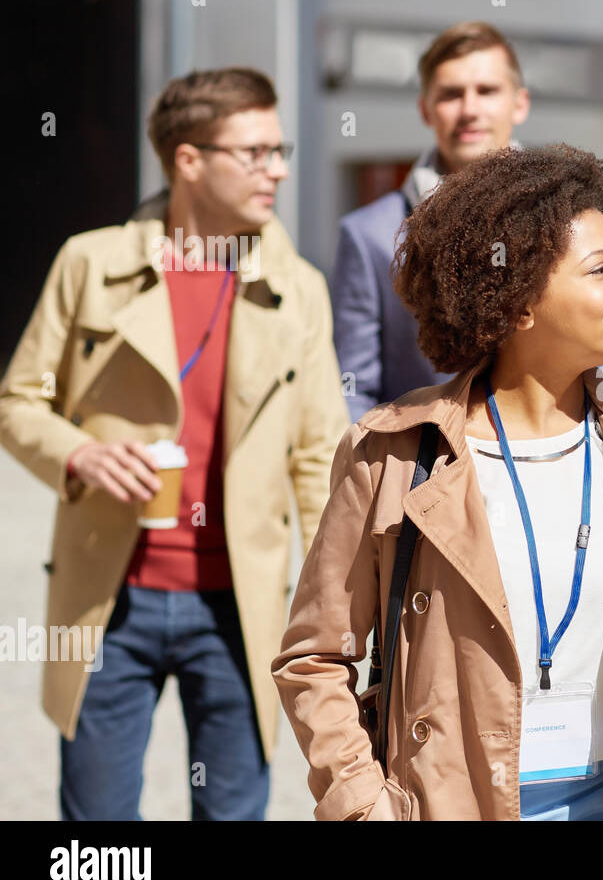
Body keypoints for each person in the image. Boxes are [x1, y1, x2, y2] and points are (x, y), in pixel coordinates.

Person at [273, 144, 603, 821]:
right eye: (598, 271)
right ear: (516, 304)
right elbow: (314, 658)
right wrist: (364, 806)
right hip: (454, 803)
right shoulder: (393, 455)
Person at [0, 67, 350, 819]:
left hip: (241, 608)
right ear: (189, 159)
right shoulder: (88, 264)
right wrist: (78, 453)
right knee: (98, 834)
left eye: (279, 149)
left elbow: (320, 458)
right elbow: (18, 404)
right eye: (254, 152)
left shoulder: (299, 287)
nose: (279, 169)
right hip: (108, 599)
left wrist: (336, 607)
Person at [332, 20, 530, 421]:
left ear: (519, 103)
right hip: (428, 473)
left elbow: (599, 357)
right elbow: (353, 392)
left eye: (487, 91)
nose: (470, 109)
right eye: (451, 95)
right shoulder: (370, 235)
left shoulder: (572, 220)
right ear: (425, 109)